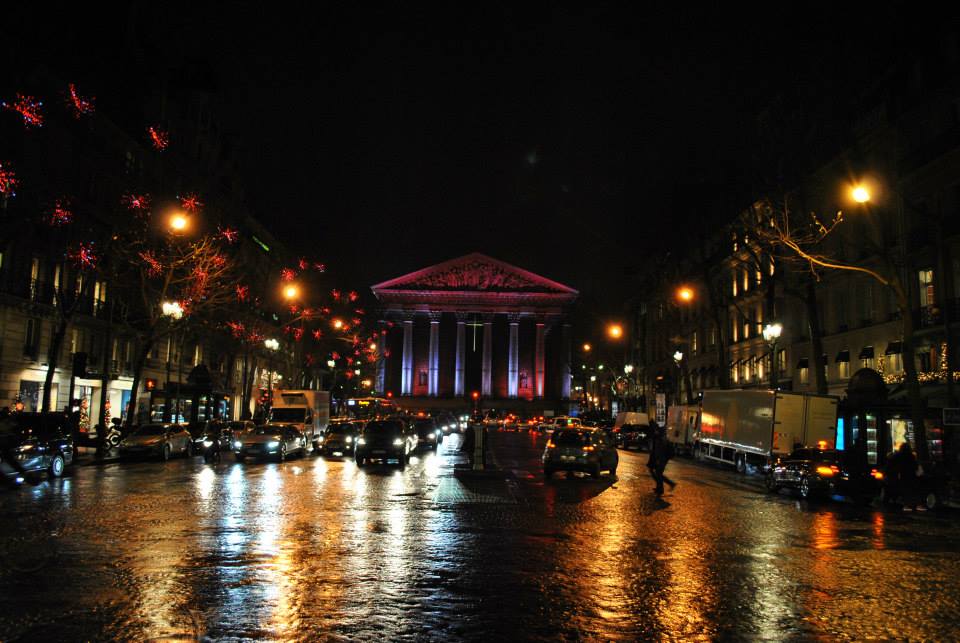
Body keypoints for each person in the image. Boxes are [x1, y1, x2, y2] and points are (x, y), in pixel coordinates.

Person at [647, 421, 676, 495]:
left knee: (658, 473)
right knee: (657, 473)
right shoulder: (659, 437)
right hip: (659, 457)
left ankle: (663, 487)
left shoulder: (660, 438)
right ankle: (661, 487)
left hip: (661, 458)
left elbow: (660, 450)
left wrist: (658, 459)